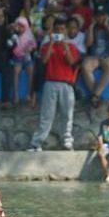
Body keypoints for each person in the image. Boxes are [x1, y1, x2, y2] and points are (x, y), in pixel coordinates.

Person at [28, 18, 79, 151]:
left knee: (67, 115)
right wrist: (51, 43)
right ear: (52, 31)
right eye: (56, 30)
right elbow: (44, 61)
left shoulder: (72, 47)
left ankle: (67, 141)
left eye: (62, 30)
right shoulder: (46, 46)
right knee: (47, 115)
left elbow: (71, 62)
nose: (59, 32)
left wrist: (64, 46)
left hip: (66, 84)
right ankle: (36, 143)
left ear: (66, 32)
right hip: (50, 83)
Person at [81, 7, 109, 108]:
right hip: (95, 56)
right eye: (98, 16)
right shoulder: (92, 27)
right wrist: (91, 27)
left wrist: (107, 26)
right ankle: (96, 95)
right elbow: (88, 44)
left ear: (107, 16)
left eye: (103, 15)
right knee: (85, 65)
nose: (100, 18)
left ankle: (95, 95)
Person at [9, 16, 37, 106]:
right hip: (17, 57)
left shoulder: (29, 35)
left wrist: (30, 49)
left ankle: (28, 94)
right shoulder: (14, 35)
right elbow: (11, 46)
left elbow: (34, 45)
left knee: (31, 70)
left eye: (22, 26)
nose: (20, 28)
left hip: (27, 57)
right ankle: (16, 94)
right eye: (19, 26)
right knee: (16, 71)